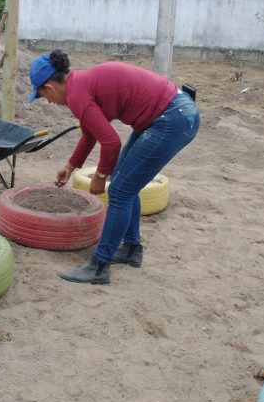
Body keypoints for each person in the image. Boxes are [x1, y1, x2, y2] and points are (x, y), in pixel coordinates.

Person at [27, 50, 200, 285]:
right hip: (168, 114)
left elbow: (110, 142)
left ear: (49, 87)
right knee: (125, 182)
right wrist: (70, 166)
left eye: (41, 96)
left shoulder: (77, 94)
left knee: (119, 190)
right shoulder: (80, 84)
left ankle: (99, 266)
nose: (47, 101)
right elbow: (90, 136)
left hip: (171, 118)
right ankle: (131, 249)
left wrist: (100, 176)